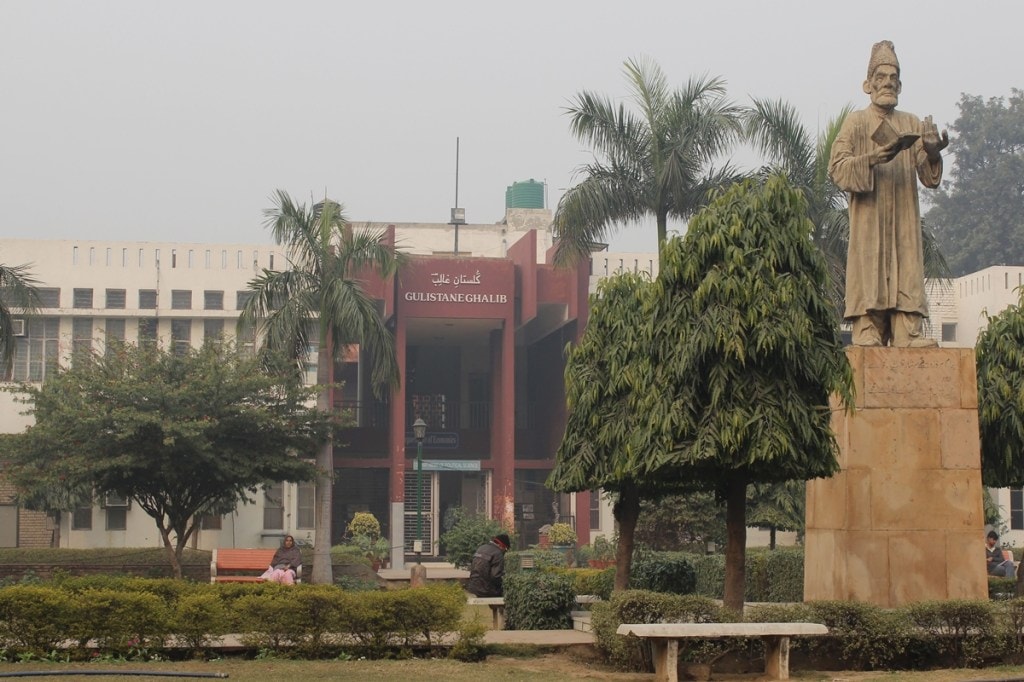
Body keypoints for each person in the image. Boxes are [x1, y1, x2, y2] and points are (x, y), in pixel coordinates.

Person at [829, 40, 949, 348]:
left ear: (901, 84)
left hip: (904, 216)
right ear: (867, 85)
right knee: (869, 269)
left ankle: (906, 331)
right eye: (881, 77)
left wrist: (932, 152)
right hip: (869, 215)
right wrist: (872, 158)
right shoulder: (856, 123)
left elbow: (928, 175)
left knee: (906, 267)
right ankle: (868, 328)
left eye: (893, 78)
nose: (888, 83)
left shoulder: (911, 122)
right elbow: (837, 168)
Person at [466, 533, 510, 597]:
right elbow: (496, 576)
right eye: (505, 550)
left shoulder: (481, 548)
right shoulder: (498, 553)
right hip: (486, 590)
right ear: (502, 546)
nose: (504, 552)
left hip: (473, 587)